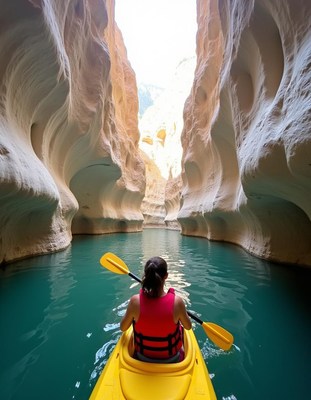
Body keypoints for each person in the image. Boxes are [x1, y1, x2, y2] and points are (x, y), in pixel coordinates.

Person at [120, 256, 192, 363]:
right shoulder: (177, 302)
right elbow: (188, 326)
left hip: (142, 358)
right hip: (173, 359)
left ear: (145, 275)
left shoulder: (135, 302)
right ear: (166, 276)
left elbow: (123, 328)